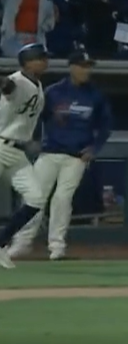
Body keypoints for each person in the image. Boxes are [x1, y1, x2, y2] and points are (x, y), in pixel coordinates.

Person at [8, 51, 112, 261]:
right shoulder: (54, 92)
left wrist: (94, 147)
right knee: (34, 197)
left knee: (62, 199)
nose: (86, 70)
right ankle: (22, 243)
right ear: (72, 67)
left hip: (76, 156)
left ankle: (57, 246)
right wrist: (32, 138)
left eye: (88, 66)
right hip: (50, 152)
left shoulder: (95, 95)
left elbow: (106, 125)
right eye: (82, 65)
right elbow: (35, 117)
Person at [0, 44, 50, 269]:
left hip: (17, 152)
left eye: (44, 57)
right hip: (1, 146)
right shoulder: (17, 80)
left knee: (36, 198)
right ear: (27, 62)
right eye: (39, 58)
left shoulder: (38, 85)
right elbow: (7, 87)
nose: (44, 61)